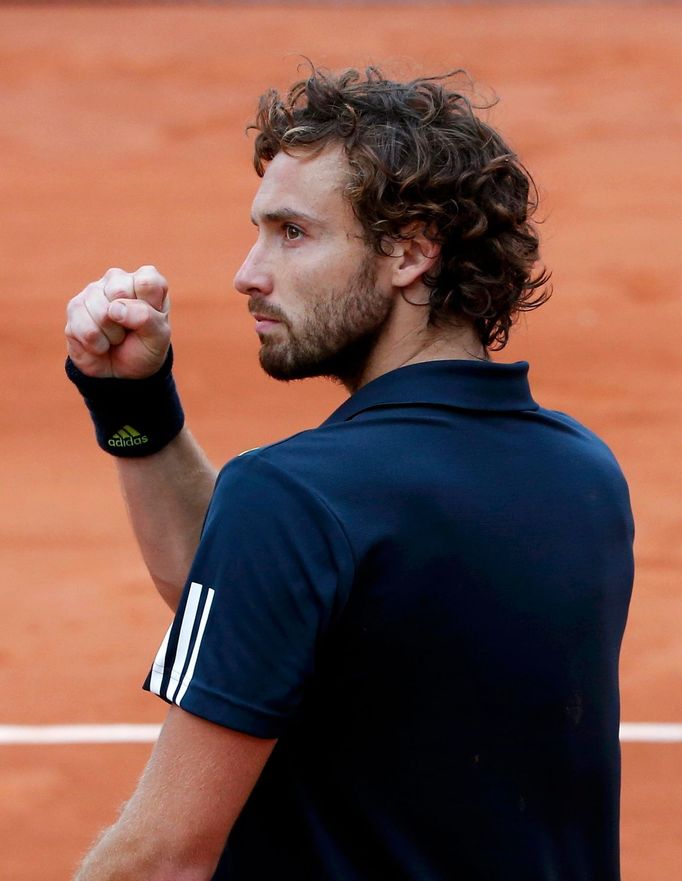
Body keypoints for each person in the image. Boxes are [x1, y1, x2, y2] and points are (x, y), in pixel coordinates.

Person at [65, 66, 634, 881]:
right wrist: (137, 409)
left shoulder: (294, 495)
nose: (248, 273)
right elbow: (256, 607)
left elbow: (161, 858)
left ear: (410, 251)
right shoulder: (584, 473)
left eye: (292, 232)